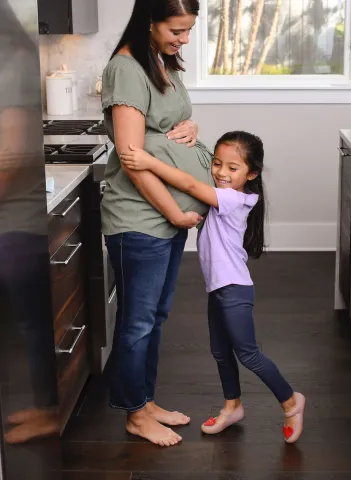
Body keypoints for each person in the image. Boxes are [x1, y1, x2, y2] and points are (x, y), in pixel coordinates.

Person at [120, 131, 306, 444]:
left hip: (234, 289)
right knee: (220, 352)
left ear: (252, 173)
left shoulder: (235, 198)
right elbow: (197, 184)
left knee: (248, 354)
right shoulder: (225, 195)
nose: (221, 172)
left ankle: (291, 401)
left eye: (233, 168)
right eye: (218, 164)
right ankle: (232, 406)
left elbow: (191, 185)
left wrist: (148, 161)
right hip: (218, 288)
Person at [100, 0, 215, 447]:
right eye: (176, 31)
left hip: (167, 217)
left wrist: (190, 126)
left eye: (188, 31)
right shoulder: (126, 68)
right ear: (149, 21)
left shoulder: (161, 61)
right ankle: (133, 413)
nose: (183, 40)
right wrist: (174, 212)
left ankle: (145, 401)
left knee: (155, 315)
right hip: (140, 217)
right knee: (138, 321)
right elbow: (132, 158)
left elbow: (167, 122)